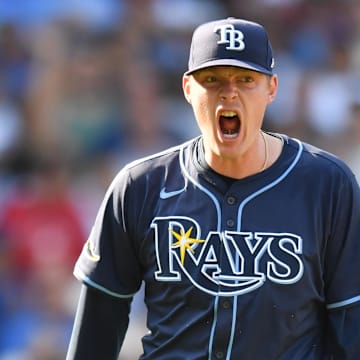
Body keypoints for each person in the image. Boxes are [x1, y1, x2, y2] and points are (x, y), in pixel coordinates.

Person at [66, 18, 360, 359]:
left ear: (272, 89)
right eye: (212, 80)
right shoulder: (139, 186)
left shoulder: (326, 185)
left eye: (246, 79)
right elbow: (97, 327)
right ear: (188, 89)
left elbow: (350, 325)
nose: (229, 92)